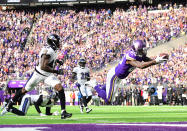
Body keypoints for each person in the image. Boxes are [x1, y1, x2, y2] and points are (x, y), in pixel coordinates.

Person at [1, 34, 72, 119]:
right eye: (57, 41)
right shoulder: (48, 51)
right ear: (53, 42)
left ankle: (63, 112)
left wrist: (56, 61)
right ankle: (9, 105)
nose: (59, 43)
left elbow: (50, 60)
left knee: (60, 88)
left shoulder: (52, 50)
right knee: (24, 90)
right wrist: (56, 71)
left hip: (47, 75)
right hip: (39, 74)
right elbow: (43, 66)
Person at [94, 40, 168, 104]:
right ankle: (95, 86)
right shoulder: (130, 57)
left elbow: (147, 60)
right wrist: (155, 61)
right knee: (108, 100)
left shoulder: (138, 53)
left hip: (119, 77)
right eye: (141, 49)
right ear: (136, 50)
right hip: (114, 76)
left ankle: (100, 91)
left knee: (107, 92)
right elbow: (141, 66)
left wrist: (157, 61)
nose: (143, 51)